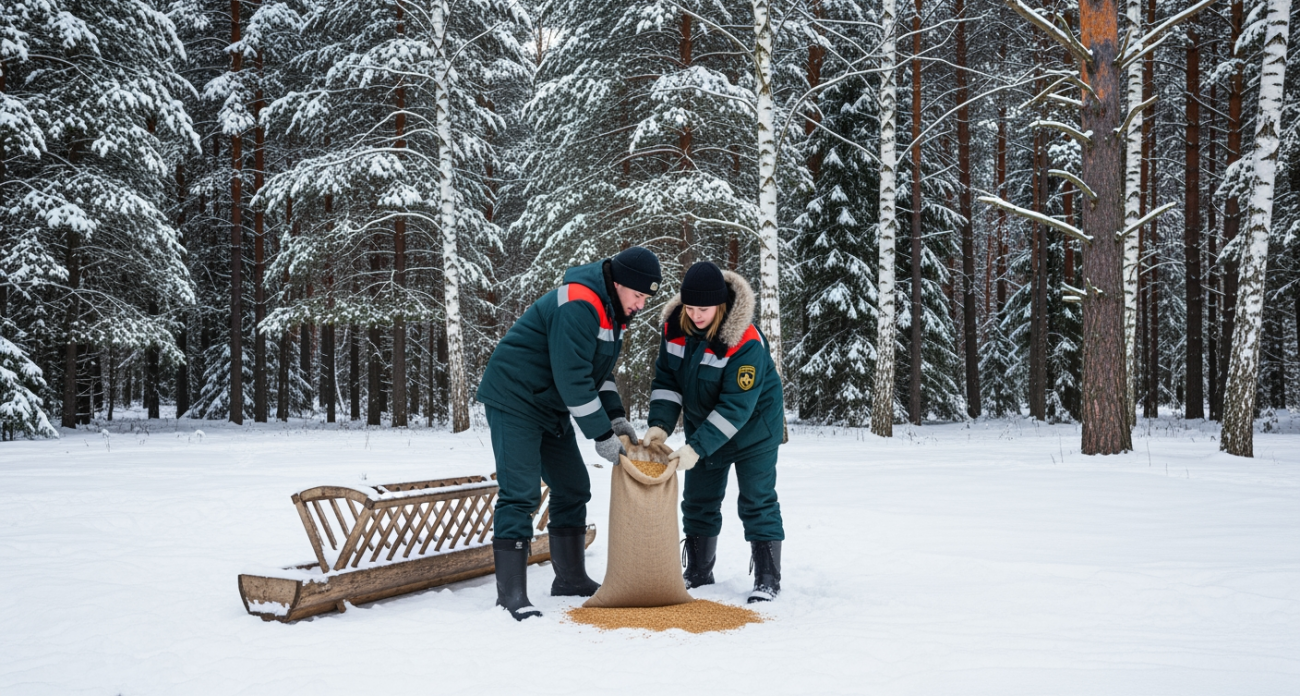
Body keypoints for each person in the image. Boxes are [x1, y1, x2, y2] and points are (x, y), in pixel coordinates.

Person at [476, 246, 662, 620]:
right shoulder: (580, 303)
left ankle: (570, 579)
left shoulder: (612, 313)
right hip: (516, 397)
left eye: (646, 298)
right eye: (639, 295)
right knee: (521, 493)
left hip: (549, 404)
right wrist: (601, 435)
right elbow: (574, 380)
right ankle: (510, 595)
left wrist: (615, 419)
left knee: (574, 486)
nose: (641, 305)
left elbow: (599, 375)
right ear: (620, 283)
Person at [643, 261, 785, 603]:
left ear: (720, 305)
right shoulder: (675, 328)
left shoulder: (745, 341)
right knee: (698, 500)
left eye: (703, 309)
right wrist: (660, 426)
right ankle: (698, 571)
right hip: (704, 427)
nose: (695, 315)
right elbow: (667, 382)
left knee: (757, 500)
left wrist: (696, 448)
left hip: (754, 430)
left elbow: (736, 406)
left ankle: (767, 577)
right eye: (690, 307)